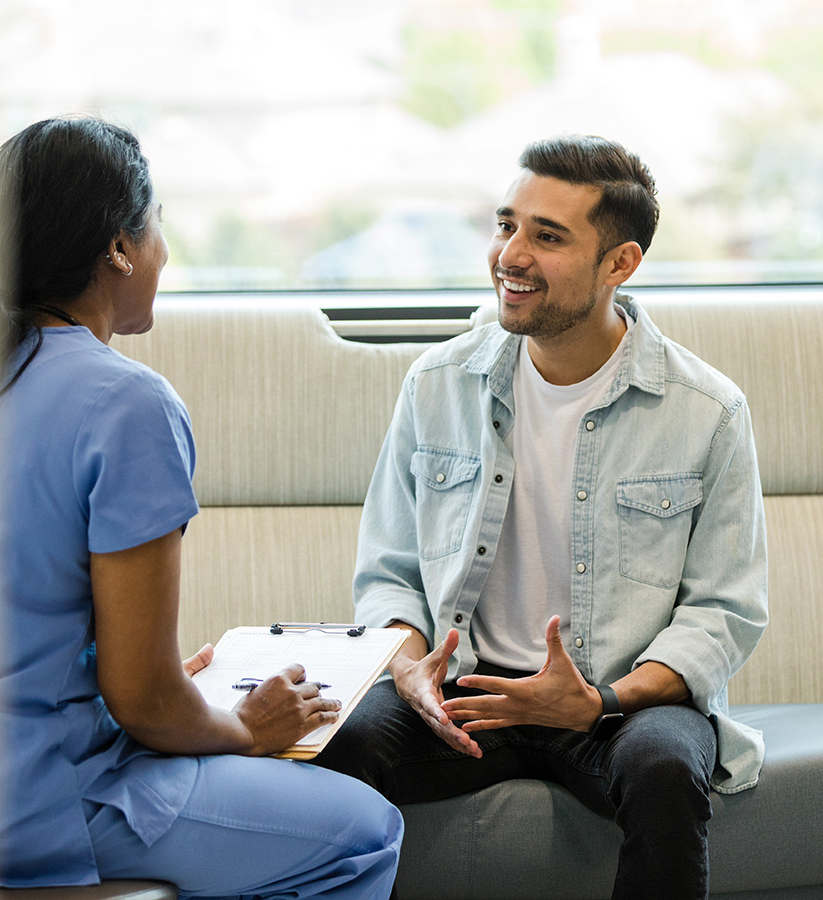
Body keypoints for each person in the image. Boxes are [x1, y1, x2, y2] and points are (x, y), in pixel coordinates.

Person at [313, 135, 769, 900]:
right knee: (341, 741)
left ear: (619, 264)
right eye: (506, 225)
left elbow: (724, 611)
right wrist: (408, 670)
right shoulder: (438, 384)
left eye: (547, 237)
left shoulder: (707, 410)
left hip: (616, 702)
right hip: (466, 690)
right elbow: (388, 571)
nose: (509, 256)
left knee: (664, 770)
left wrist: (602, 700)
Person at [0, 117, 401, 899]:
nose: (163, 248)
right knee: (363, 834)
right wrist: (245, 727)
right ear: (119, 248)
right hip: (40, 801)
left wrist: (137, 683)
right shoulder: (127, 403)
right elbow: (145, 702)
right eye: (157, 221)